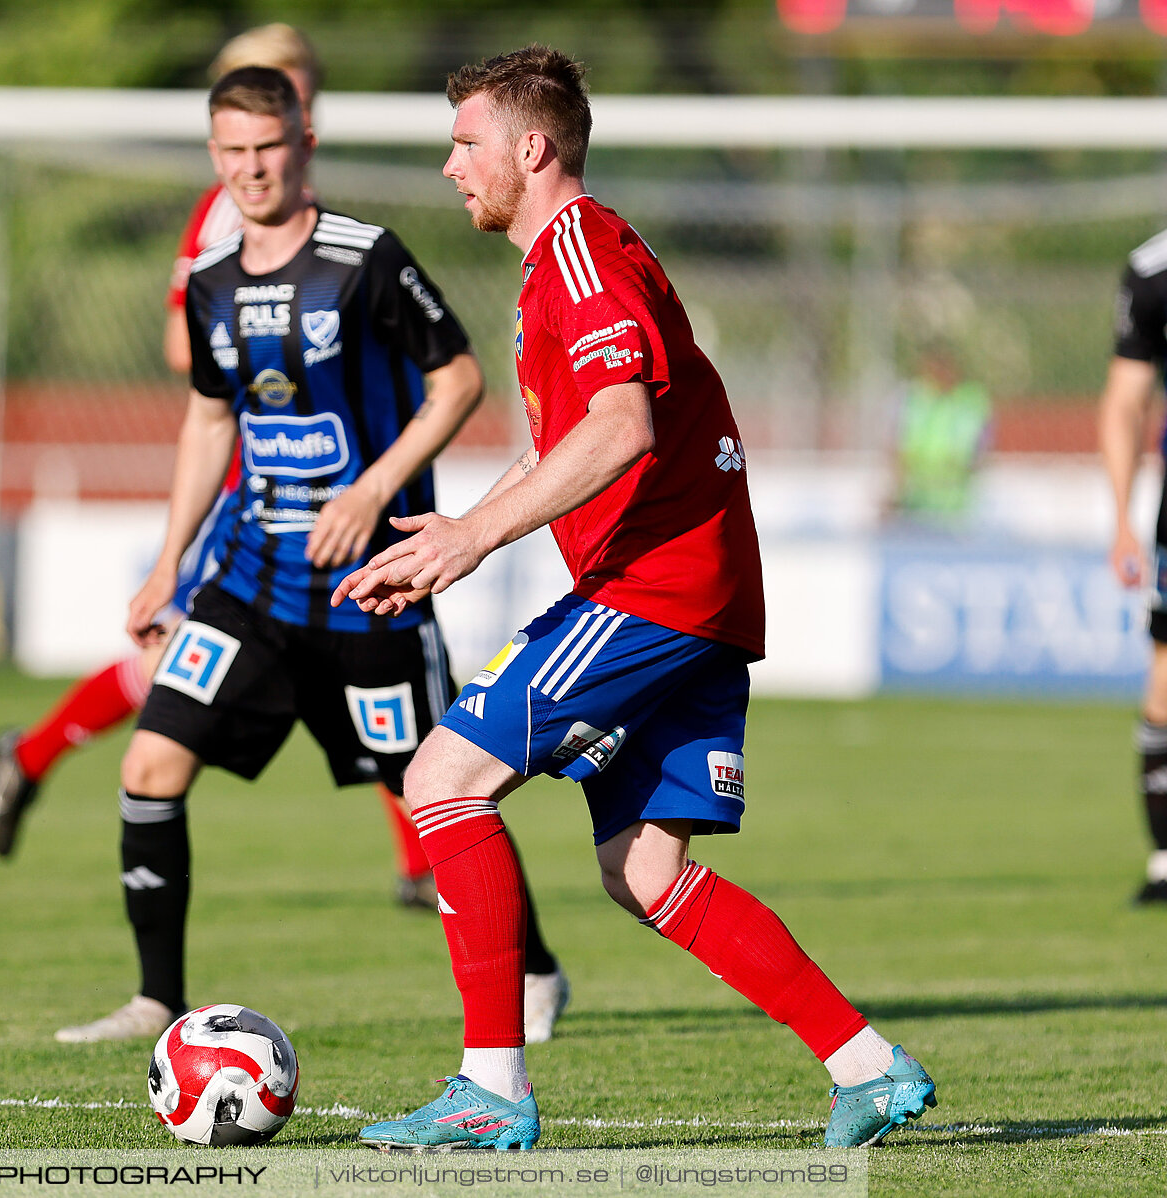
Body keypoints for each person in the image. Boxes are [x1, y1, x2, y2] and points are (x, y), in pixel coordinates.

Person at [334, 47, 937, 1150]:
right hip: (693, 592)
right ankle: (869, 1064)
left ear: (533, 147)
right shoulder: (564, 263)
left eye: (467, 143)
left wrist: (475, 535)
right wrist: (460, 529)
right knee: (645, 868)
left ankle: (491, 1088)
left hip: (655, 589)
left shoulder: (577, 250)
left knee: (442, 779)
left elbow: (622, 428)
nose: (448, 165)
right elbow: (575, 442)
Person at [55, 65, 535, 1045]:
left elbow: (460, 381)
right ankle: (157, 996)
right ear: (213, 156)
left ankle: (532, 969)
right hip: (251, 581)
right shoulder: (208, 283)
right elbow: (205, 422)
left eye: (266, 149)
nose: (249, 170)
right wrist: (165, 566)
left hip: (372, 589)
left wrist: (369, 492)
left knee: (437, 782)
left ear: (302, 145)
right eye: (230, 152)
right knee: (151, 762)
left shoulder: (364, 258)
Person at [0, 25, 462, 918]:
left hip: (325, 485)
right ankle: (37, 756)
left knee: (345, 680)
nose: (290, 108)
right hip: (258, 488)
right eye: (276, 88)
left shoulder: (334, 226)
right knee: (185, 657)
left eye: (302, 89)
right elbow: (189, 347)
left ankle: (427, 864)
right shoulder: (223, 221)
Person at [1099, 225, 1167, 906]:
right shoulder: (1153, 272)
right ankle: (1166, 859)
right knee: (1166, 683)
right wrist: (1122, 517)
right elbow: (1126, 399)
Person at [890, 344, 990, 526]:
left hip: (955, 512)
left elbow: (977, 455)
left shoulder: (969, 402)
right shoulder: (915, 400)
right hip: (915, 506)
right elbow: (900, 452)